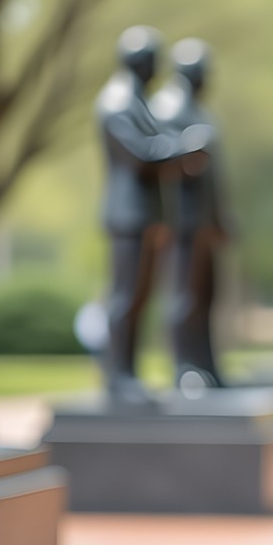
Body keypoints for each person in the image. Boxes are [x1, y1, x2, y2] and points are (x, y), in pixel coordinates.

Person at [95, 26, 209, 408]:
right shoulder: (116, 102)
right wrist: (185, 147)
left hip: (146, 215)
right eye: (153, 61)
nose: (158, 68)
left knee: (140, 297)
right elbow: (140, 154)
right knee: (125, 297)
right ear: (139, 62)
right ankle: (117, 376)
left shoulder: (137, 100)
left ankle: (128, 373)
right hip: (128, 214)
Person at [150, 38, 230, 388]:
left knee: (206, 295)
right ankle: (183, 367)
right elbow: (166, 163)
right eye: (202, 71)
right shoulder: (168, 107)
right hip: (182, 219)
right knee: (184, 295)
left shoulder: (198, 109)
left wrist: (219, 218)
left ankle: (206, 365)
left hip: (203, 221)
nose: (206, 78)